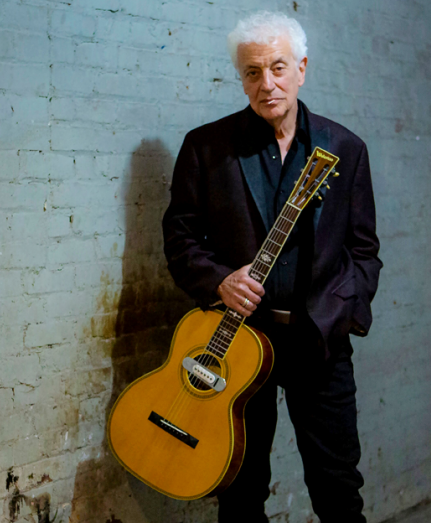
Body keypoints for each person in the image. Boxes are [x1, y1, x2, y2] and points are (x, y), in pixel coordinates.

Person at [161, 11, 382, 523]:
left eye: (278, 68)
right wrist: (219, 280)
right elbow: (180, 238)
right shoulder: (206, 147)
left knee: (338, 492)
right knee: (240, 494)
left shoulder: (344, 149)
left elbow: (364, 248)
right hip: (237, 342)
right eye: (253, 72)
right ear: (241, 78)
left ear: (301, 68)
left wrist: (342, 312)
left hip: (317, 341)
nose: (267, 84)